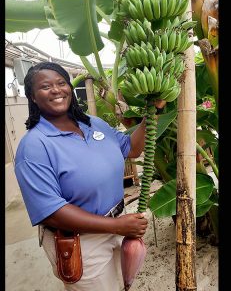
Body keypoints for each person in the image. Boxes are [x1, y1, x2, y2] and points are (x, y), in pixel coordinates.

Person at [14, 61, 149, 291]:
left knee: (120, 285)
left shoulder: (92, 123)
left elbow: (131, 149)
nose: (56, 90)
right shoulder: (34, 146)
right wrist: (115, 226)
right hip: (83, 241)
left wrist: (151, 116)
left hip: (118, 225)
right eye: (46, 86)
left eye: (61, 83)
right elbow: (52, 213)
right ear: (33, 97)